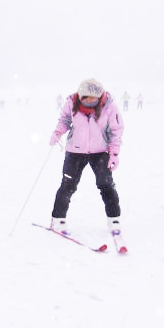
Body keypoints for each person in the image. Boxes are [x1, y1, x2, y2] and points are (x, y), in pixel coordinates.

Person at [48, 78, 123, 234]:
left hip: (100, 152)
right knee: (68, 185)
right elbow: (64, 120)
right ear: (80, 96)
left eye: (94, 98)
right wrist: (57, 132)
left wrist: (114, 154)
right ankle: (58, 219)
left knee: (106, 185)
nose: (91, 101)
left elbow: (115, 131)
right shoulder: (71, 103)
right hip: (75, 151)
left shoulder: (109, 107)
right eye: (87, 98)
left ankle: (114, 219)